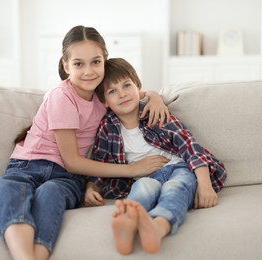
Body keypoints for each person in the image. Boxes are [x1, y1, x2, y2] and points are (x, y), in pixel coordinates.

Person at [0, 26, 170, 260]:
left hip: (65, 178)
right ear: (66, 66)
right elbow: (72, 161)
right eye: (78, 64)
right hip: (27, 166)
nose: (89, 72)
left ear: (104, 61)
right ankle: (24, 256)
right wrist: (132, 170)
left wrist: (155, 98)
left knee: (50, 193)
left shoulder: (105, 95)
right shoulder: (61, 96)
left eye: (95, 62)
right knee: (5, 187)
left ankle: (39, 253)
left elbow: (137, 93)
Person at [84, 58, 227, 255]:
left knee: (175, 187)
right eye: (112, 91)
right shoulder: (107, 127)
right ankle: (128, 220)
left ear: (138, 87)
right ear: (104, 101)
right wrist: (91, 187)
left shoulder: (154, 112)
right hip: (145, 176)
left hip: (178, 168)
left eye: (127, 85)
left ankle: (159, 225)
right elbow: (100, 161)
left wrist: (204, 183)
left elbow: (188, 145)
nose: (122, 94)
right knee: (143, 187)